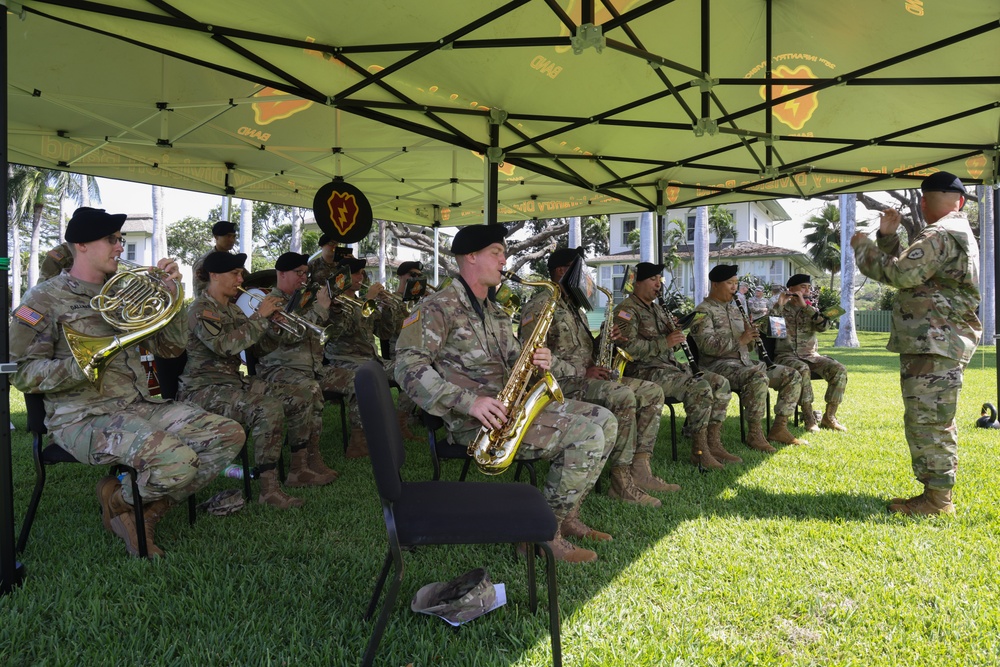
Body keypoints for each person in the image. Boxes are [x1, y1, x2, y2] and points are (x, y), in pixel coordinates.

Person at [10, 207, 245, 557]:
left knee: (228, 435)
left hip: (136, 406)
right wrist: (85, 364)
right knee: (178, 460)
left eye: (120, 239)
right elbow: (19, 372)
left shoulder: (127, 290)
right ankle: (129, 506)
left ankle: (134, 509)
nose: (120, 247)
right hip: (83, 418)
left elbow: (170, 348)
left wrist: (174, 297)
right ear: (82, 245)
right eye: (111, 240)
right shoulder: (43, 299)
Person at [395, 224, 618, 563]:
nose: (505, 260)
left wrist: (542, 361)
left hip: (509, 409)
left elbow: (517, 360)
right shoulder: (437, 307)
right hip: (476, 424)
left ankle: (567, 517)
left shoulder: (496, 312)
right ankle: (539, 535)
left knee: (607, 420)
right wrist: (469, 403)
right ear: (471, 257)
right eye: (497, 253)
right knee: (586, 435)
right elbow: (407, 368)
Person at [851, 171, 981, 516]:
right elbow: (915, 273)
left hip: (935, 341)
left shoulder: (941, 232)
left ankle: (938, 501)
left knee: (931, 421)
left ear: (925, 202)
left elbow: (901, 275)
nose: (922, 205)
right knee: (928, 418)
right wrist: (888, 238)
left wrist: (864, 246)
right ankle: (933, 495)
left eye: (924, 200)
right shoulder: (953, 231)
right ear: (961, 201)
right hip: (936, 340)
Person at [519, 247, 669, 509]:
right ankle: (620, 482)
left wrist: (604, 339)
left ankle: (640, 468)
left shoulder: (574, 307)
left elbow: (582, 350)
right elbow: (531, 357)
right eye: (580, 268)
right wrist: (581, 371)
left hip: (585, 378)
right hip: (558, 385)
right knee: (622, 395)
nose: (586, 274)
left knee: (652, 391)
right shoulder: (540, 306)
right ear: (562, 272)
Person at [178, 251, 315, 509]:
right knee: (268, 408)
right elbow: (225, 346)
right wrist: (259, 318)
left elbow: (257, 350)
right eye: (235, 274)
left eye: (241, 273)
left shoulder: (232, 309)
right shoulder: (201, 310)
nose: (241, 278)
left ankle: (299, 468)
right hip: (203, 389)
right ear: (215, 276)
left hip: (232, 383)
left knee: (301, 396)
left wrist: (272, 327)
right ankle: (269, 489)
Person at [614, 262, 738, 469]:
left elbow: (670, 340)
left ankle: (713, 442)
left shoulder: (656, 308)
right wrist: (665, 342)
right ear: (637, 283)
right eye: (653, 279)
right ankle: (699, 451)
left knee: (718, 382)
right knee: (700, 388)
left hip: (670, 367)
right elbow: (628, 349)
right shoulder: (626, 311)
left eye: (659, 280)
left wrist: (675, 329)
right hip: (645, 371)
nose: (658, 284)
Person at [690, 264, 805, 452]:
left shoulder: (736, 309)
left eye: (736, 283)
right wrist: (739, 339)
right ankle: (755, 433)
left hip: (743, 363)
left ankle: (779, 428)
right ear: (715, 284)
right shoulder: (702, 311)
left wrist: (751, 336)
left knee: (792, 375)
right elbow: (706, 346)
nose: (734, 287)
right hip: (717, 365)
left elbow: (748, 345)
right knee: (756, 376)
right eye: (729, 283)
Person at [253, 251, 344, 486]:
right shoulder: (272, 303)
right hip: (278, 369)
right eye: (298, 273)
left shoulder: (303, 298)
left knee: (316, 390)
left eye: (305, 273)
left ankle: (310, 458)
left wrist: (331, 308)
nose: (304, 278)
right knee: (312, 390)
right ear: (281, 274)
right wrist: (321, 309)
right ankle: (298, 466)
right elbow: (290, 335)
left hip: (307, 368)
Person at [324, 247, 408, 457]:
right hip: (343, 361)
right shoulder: (335, 303)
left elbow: (386, 332)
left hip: (371, 360)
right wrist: (369, 301)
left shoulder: (363, 303)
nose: (361, 277)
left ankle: (401, 422)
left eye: (361, 273)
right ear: (342, 277)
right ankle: (358, 441)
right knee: (363, 379)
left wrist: (388, 309)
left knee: (410, 368)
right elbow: (344, 330)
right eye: (356, 273)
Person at [768, 274, 848, 432]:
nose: (807, 290)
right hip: (786, 356)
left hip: (811, 356)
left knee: (839, 370)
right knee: (802, 369)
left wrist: (807, 307)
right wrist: (779, 306)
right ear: (791, 289)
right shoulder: (780, 309)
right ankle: (809, 416)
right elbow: (774, 332)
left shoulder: (812, 309)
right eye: (803, 287)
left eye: (808, 287)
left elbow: (824, 327)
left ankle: (829, 417)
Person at [191, 220, 238, 296]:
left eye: (234, 236)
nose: (232, 240)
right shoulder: (203, 261)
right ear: (216, 237)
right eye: (228, 236)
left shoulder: (235, 261)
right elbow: (199, 291)